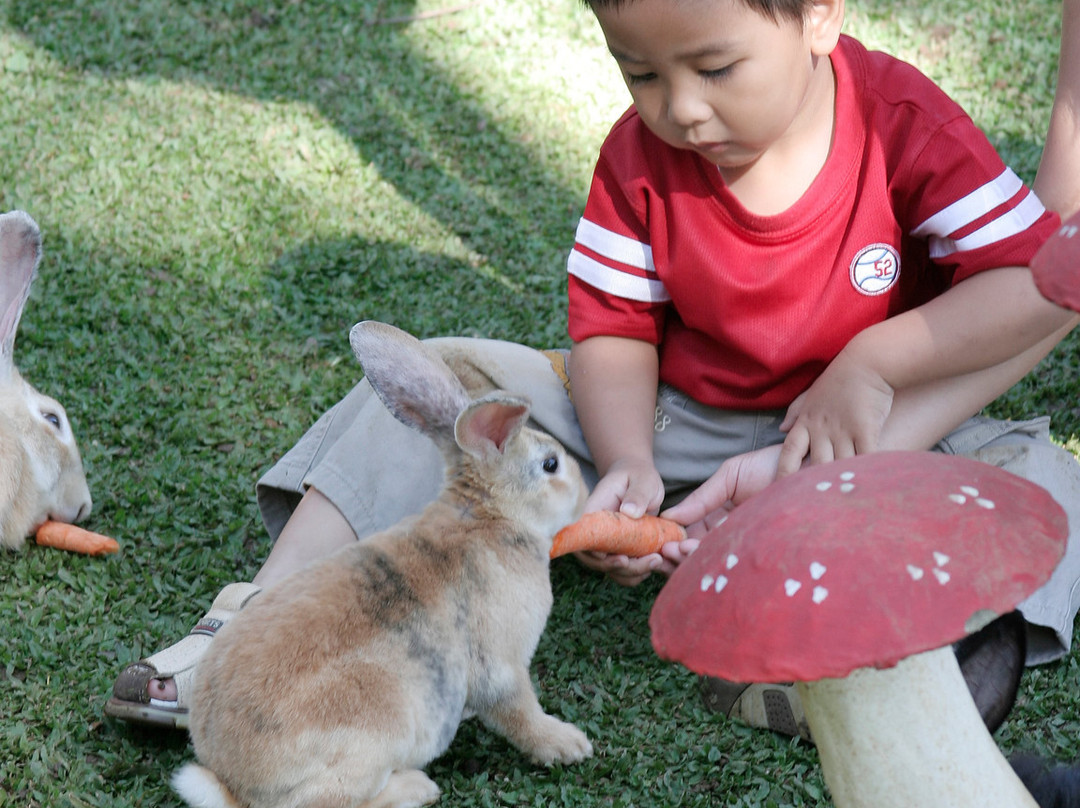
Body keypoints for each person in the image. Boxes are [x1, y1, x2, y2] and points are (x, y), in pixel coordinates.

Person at [105, 0, 1080, 734]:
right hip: (683, 416)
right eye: (641, 73)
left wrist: (875, 359)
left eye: (715, 66)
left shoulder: (898, 119)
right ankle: (253, 629)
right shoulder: (639, 155)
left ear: (821, 15)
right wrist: (625, 467)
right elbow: (613, 327)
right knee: (455, 383)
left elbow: (1036, 282)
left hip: (870, 434)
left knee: (1046, 481)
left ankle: (839, 680)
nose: (683, 109)